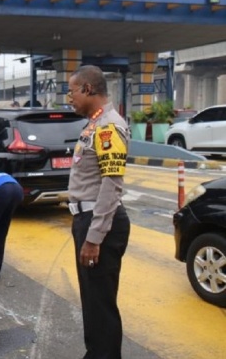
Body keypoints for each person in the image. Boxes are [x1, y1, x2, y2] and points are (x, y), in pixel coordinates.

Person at [66, 65, 130, 359]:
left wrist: (94, 237)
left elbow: (111, 184)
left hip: (99, 222)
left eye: (72, 91)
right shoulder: (94, 123)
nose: (69, 98)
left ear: (88, 89)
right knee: (93, 301)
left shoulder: (107, 127)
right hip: (88, 219)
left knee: (100, 304)